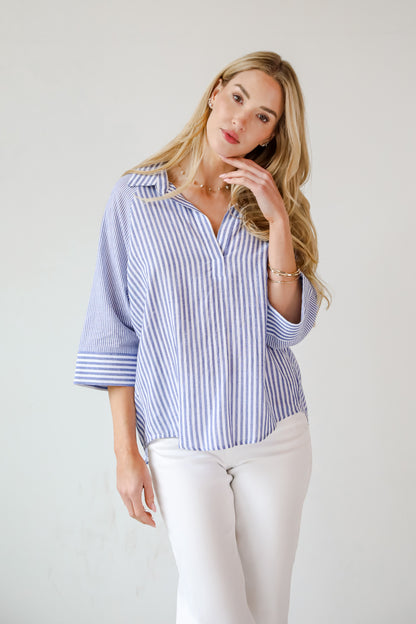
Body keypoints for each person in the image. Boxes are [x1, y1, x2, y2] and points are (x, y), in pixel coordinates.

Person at [73, 50, 331, 624]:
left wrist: (278, 221)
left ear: (271, 135)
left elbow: (287, 327)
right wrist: (126, 456)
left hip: (273, 434)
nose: (241, 119)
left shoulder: (270, 207)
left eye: (263, 116)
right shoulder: (137, 199)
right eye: (237, 98)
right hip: (181, 441)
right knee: (218, 612)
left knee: (264, 613)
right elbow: (114, 330)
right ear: (215, 93)